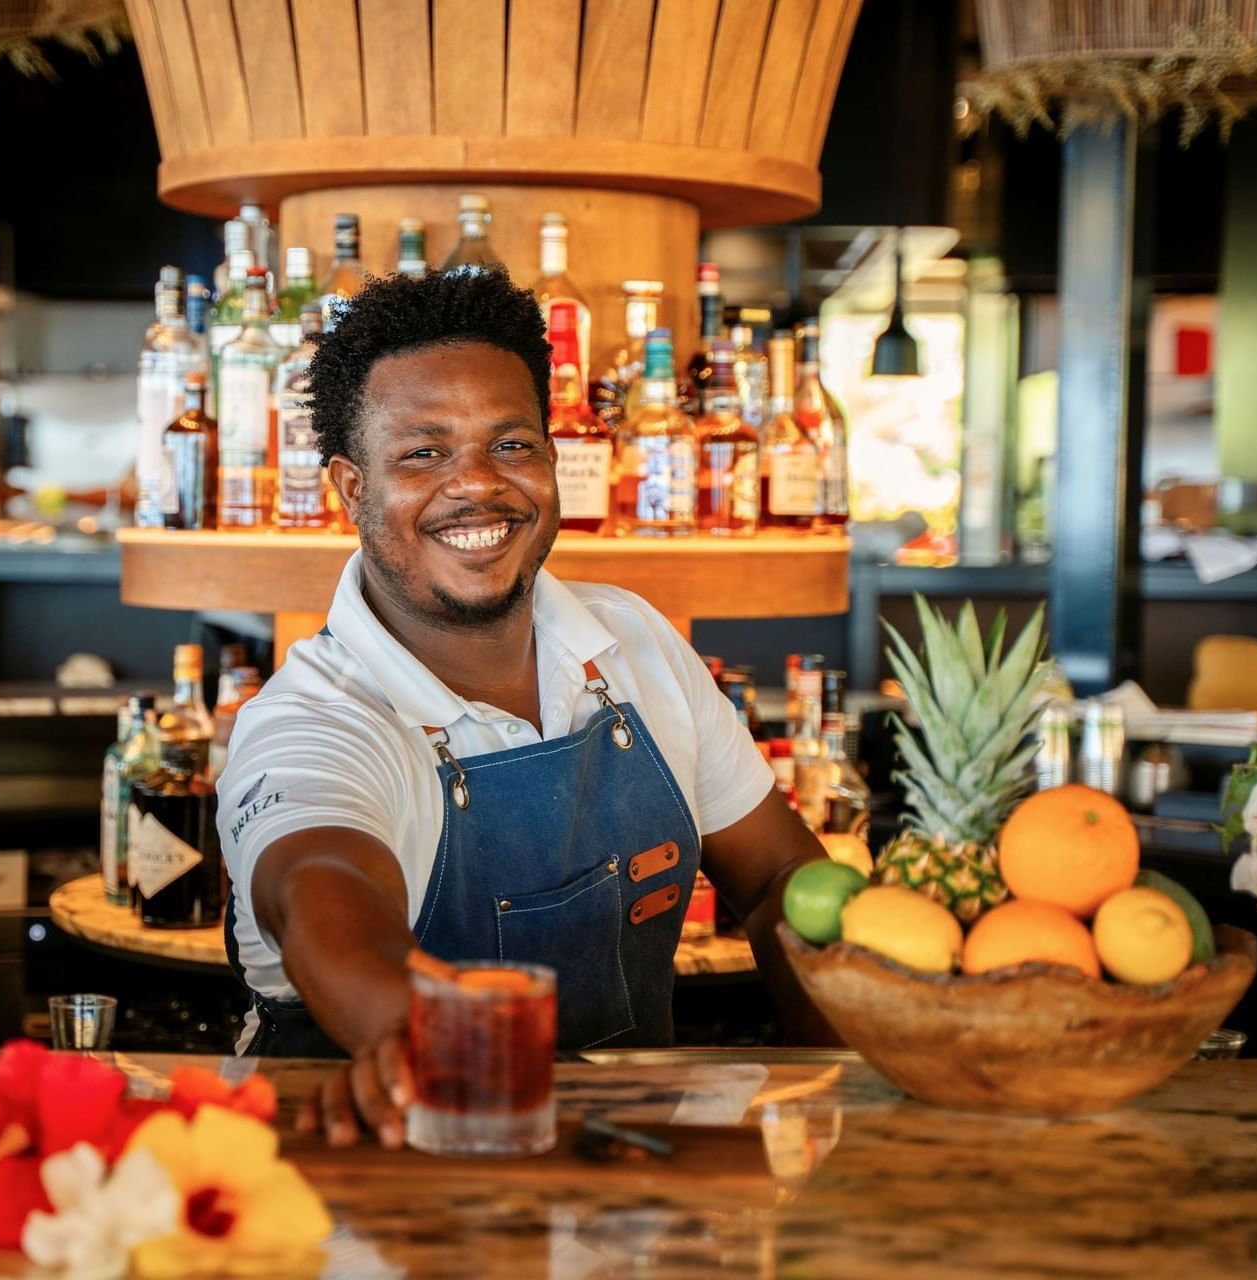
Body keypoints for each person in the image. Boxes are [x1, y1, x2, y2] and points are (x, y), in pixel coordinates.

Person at [215, 268, 830, 1148]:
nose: (478, 485)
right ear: (351, 488)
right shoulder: (315, 718)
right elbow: (322, 895)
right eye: (422, 453)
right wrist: (409, 1033)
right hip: (385, 1210)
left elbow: (777, 881)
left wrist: (862, 1082)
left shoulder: (634, 641)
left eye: (511, 445)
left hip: (631, 1200)